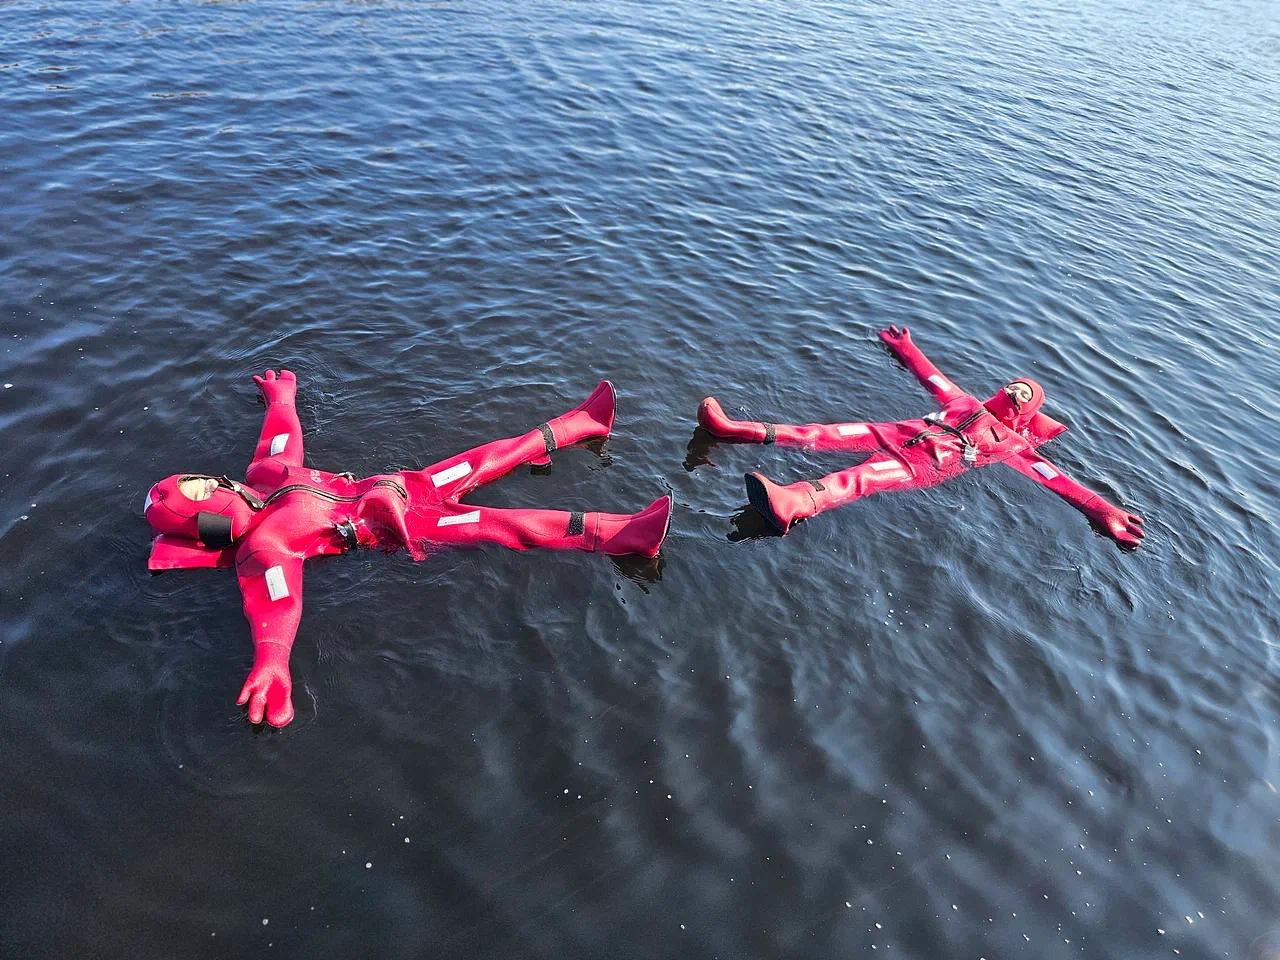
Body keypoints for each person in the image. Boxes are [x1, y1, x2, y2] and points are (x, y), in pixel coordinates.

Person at [144, 370, 672, 727]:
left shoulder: (266, 475)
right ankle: (625, 534)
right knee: (508, 524)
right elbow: (276, 602)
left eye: (199, 478)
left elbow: (281, 437)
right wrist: (272, 662)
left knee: (487, 456)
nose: (210, 482)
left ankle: (582, 422)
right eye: (199, 493)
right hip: (408, 523)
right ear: (205, 522)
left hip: (407, 486)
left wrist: (282, 399)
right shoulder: (267, 547)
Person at [697, 325, 1145, 548]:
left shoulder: (1012, 445)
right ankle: (735, 430)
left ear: (1027, 412)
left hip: (918, 464)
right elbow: (933, 378)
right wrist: (906, 348)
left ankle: (793, 501)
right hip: (894, 432)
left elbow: (1055, 480)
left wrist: (1104, 510)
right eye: (1013, 385)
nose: (1012, 392)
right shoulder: (964, 403)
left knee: (859, 479)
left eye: (1022, 395)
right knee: (820, 433)